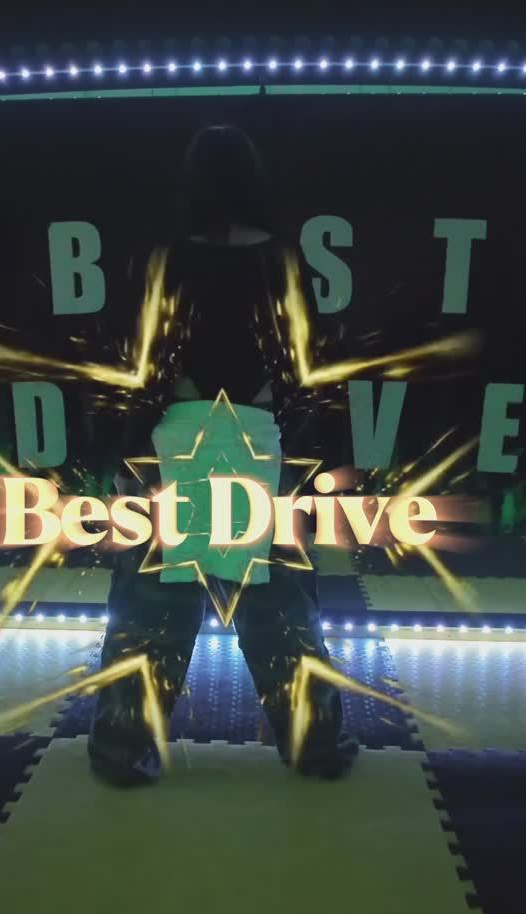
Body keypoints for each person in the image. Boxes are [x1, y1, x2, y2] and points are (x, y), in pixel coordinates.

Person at [87, 123, 358, 787]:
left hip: (170, 444)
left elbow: (138, 366)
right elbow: (307, 370)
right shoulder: (284, 262)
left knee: (152, 601)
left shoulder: (165, 259)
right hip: (261, 443)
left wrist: (128, 453)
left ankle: (122, 748)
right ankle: (316, 746)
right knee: (279, 602)